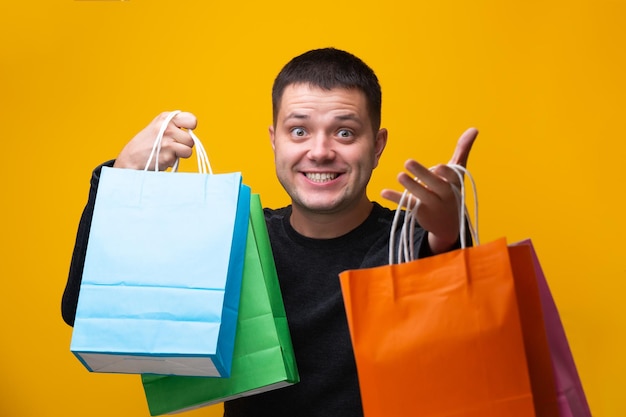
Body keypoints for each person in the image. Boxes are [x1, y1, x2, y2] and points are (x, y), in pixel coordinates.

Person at [62, 47, 478, 417]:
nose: (319, 150)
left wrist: (449, 236)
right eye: (299, 131)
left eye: (345, 132)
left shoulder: (411, 240)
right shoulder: (230, 239)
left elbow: (470, 333)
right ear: (274, 141)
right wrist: (121, 178)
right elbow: (83, 309)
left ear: (378, 144)